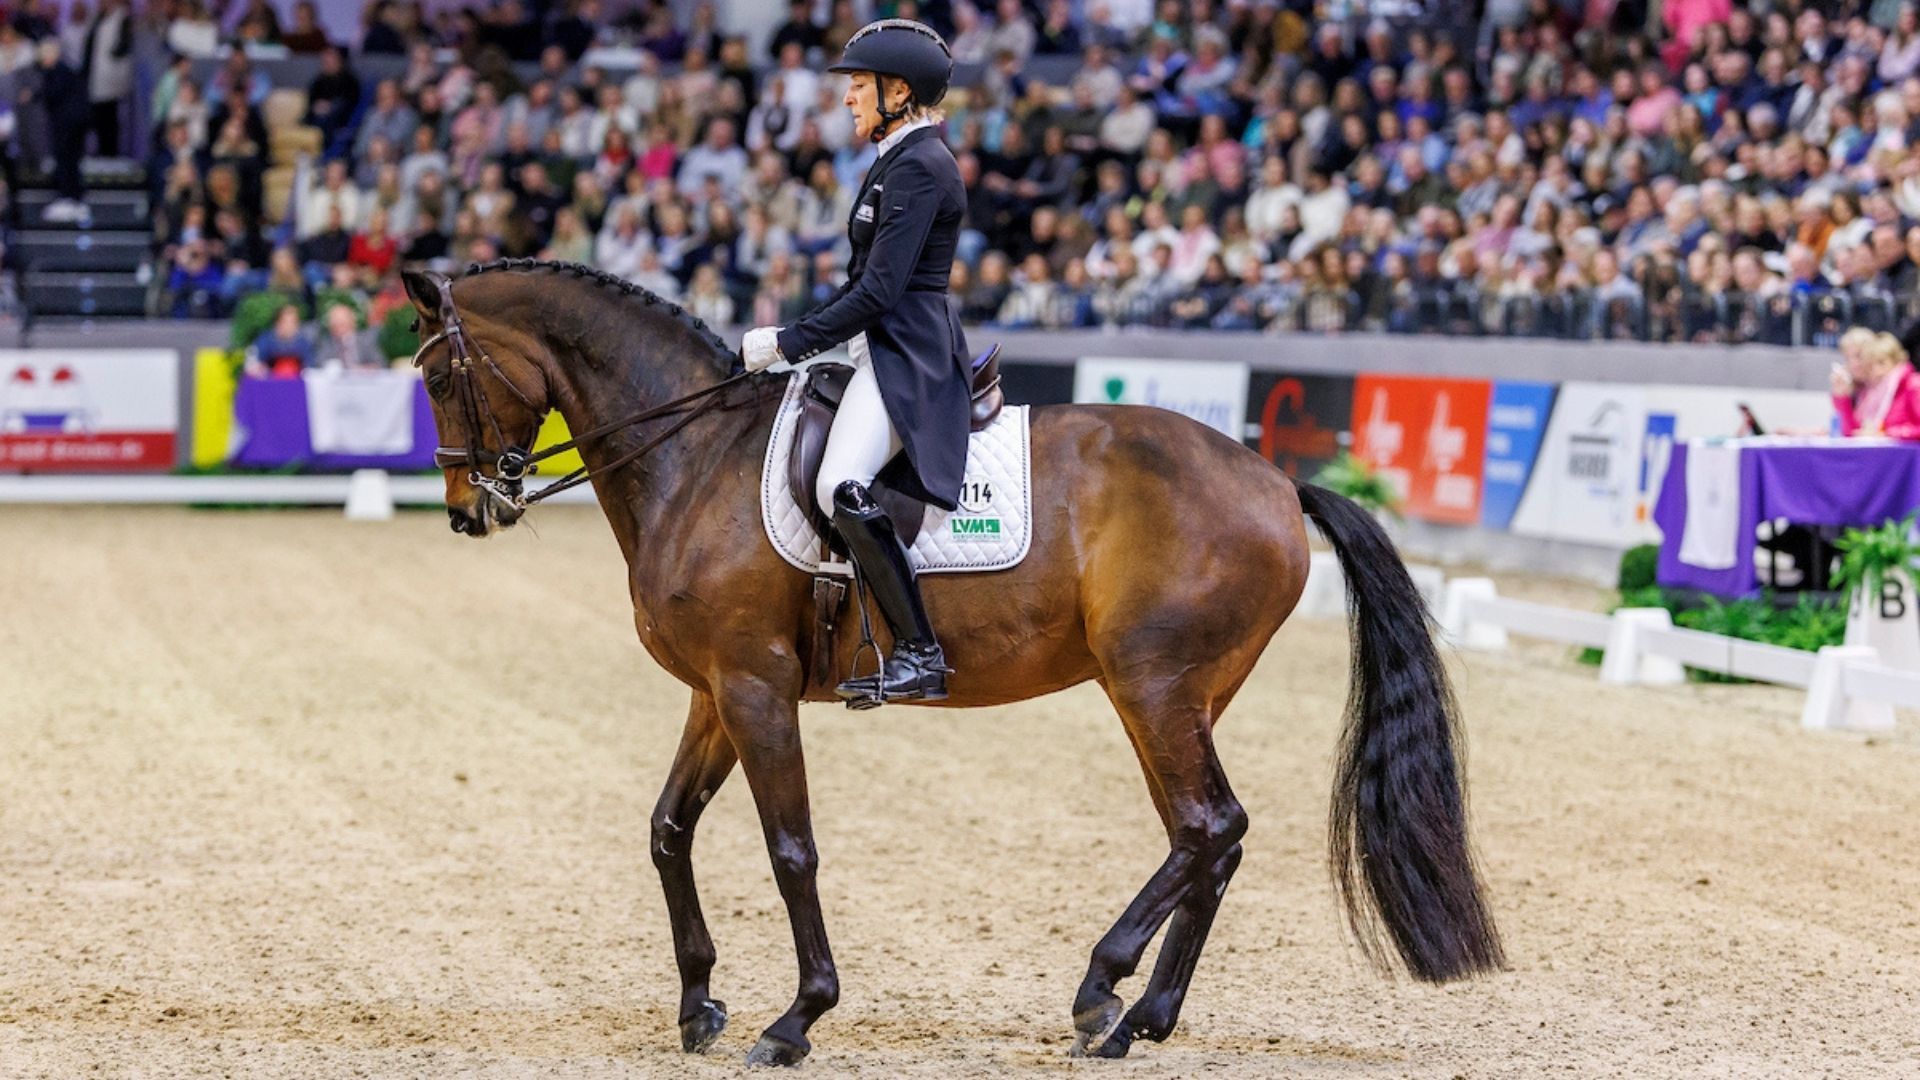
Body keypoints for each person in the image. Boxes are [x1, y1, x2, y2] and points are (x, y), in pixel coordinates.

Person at [740, 20, 969, 707]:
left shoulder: (923, 165)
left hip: (909, 353)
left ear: (899, 91)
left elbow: (880, 291)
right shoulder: (896, 157)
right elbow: (860, 283)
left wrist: (788, 343)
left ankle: (922, 653)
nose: (846, 99)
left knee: (839, 482)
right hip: (878, 342)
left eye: (859, 86)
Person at [1832, 329, 1920, 439]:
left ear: (1896, 359)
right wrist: (1842, 398)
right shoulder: (1870, 393)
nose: (1853, 364)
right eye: (1847, 358)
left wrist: (1886, 433)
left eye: (1881, 362)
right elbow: (1853, 433)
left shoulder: (1912, 385)